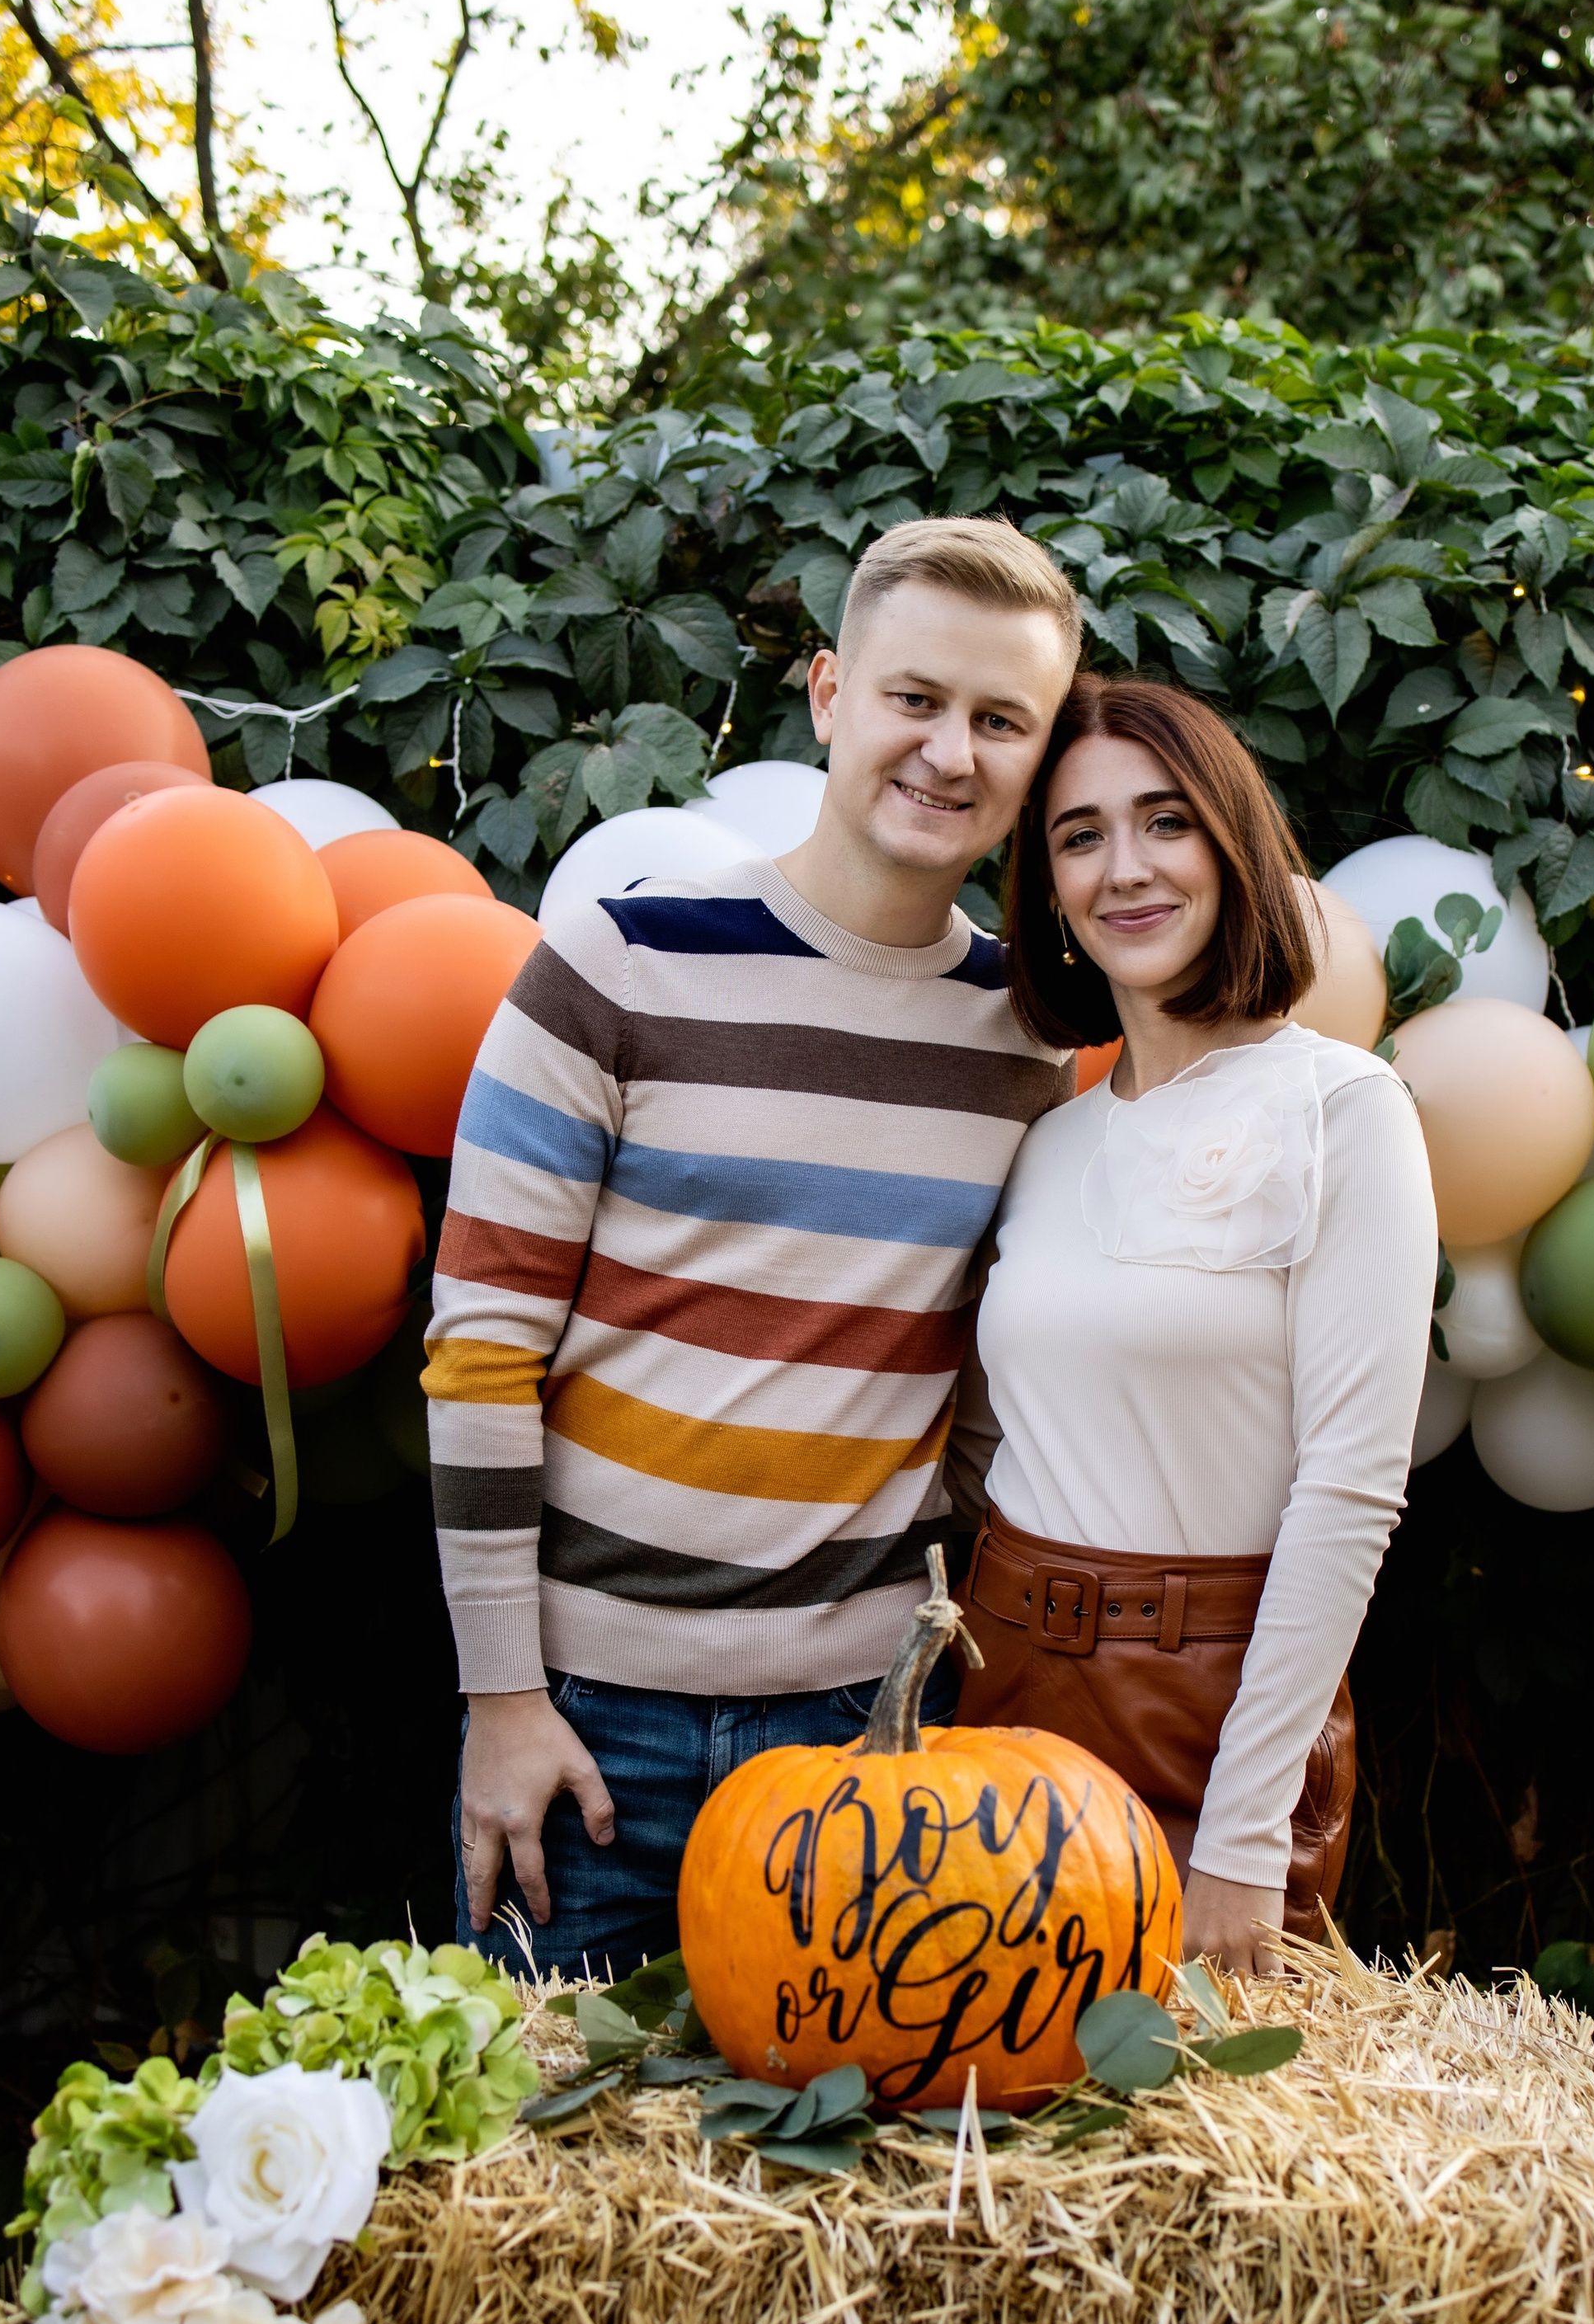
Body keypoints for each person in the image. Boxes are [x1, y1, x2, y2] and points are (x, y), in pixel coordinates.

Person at [422, 515, 1082, 1977]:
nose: (950, 752)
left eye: (1002, 720)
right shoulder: (614, 964)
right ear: (833, 696)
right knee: (555, 2196)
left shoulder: (1030, 1049)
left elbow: (992, 1387)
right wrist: (502, 1701)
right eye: (915, 699)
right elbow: (478, 1356)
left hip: (867, 1744)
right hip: (584, 1731)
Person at [948, 675, 1437, 1973]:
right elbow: (992, 1437)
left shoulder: (1348, 1111)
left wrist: (1243, 1831)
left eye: (1166, 822)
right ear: (1048, 890)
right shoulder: (1049, 1140)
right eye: (1079, 835)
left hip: (1206, 1711)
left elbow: (1349, 1492)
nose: (1126, 869)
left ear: (1233, 843)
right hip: (1001, 1688)